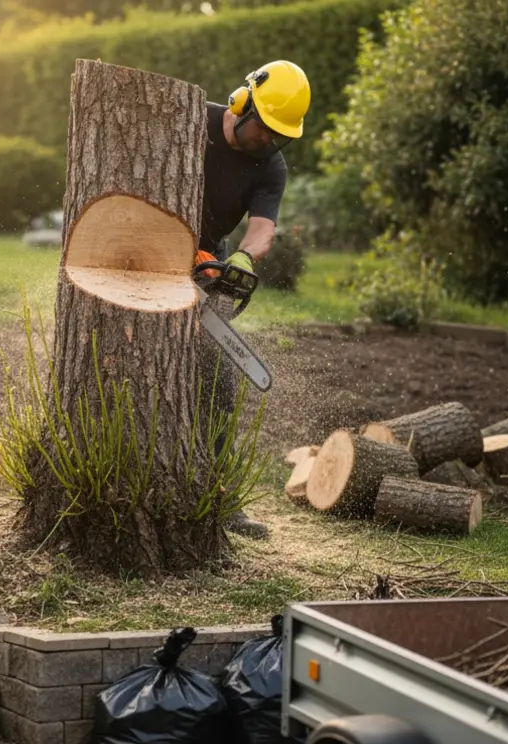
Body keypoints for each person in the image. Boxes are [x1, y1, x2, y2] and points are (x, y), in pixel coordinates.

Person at [195, 60, 311, 539]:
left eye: (279, 134)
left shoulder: (271, 165)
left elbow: (263, 229)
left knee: (217, 382)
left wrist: (242, 257)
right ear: (243, 102)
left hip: (210, 259)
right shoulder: (193, 120)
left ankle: (218, 497)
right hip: (147, 244)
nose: (268, 138)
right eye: (264, 125)